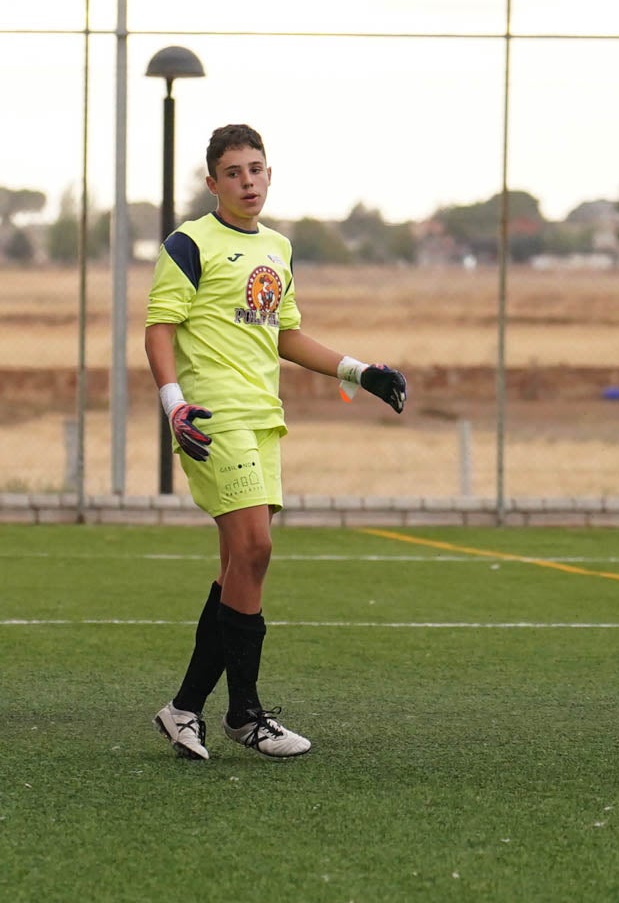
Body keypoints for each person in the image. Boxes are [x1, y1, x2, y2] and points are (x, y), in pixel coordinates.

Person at [145, 123, 408, 759]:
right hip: (212, 419)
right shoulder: (188, 244)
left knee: (240, 564)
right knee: (256, 549)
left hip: (264, 419)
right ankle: (245, 713)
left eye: (256, 169)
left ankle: (186, 709)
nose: (247, 182)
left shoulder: (279, 249)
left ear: (269, 174)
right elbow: (158, 329)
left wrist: (359, 371)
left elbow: (284, 334)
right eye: (233, 172)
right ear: (212, 182)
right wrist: (173, 405)